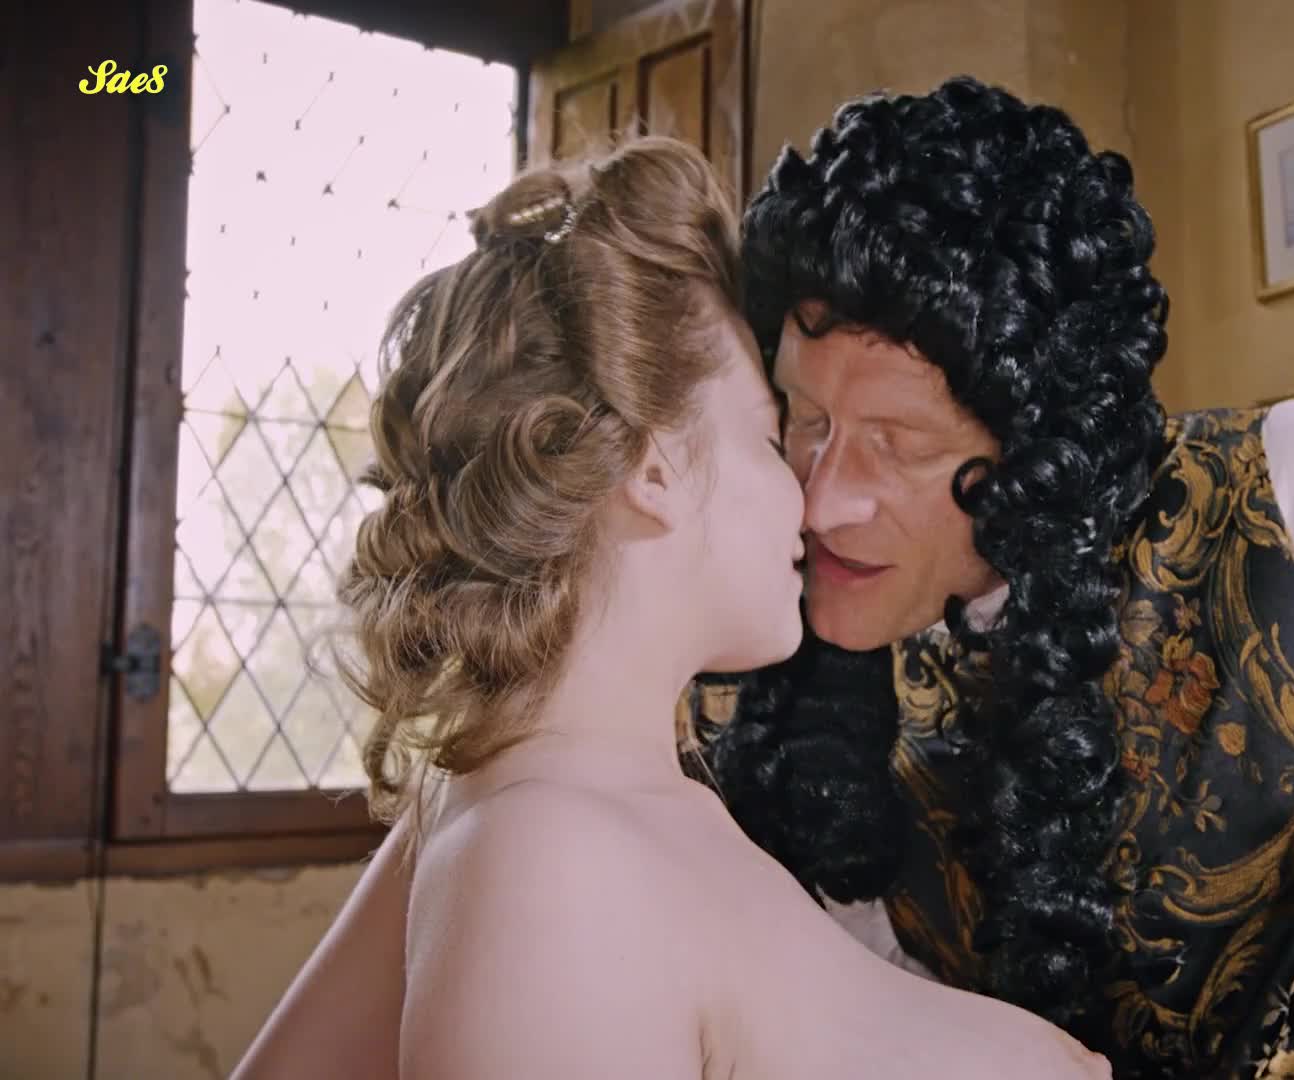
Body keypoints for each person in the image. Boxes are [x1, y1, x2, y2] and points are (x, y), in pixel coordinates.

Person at [240, 82, 1294, 1080]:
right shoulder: (639, 776)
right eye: (791, 426)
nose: (823, 496)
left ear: (1030, 443)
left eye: (894, 443)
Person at [232, 135, 1109, 1079]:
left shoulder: (525, 807)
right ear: (651, 468)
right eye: (774, 436)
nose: (810, 504)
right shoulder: (556, 859)